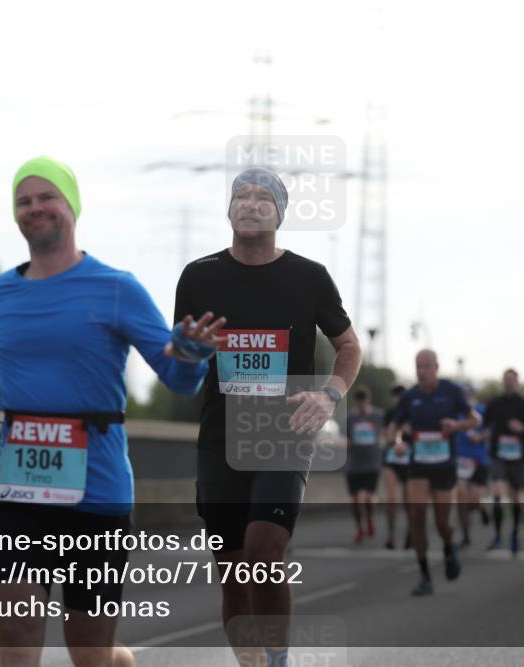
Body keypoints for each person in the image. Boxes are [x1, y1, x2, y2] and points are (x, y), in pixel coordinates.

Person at [0, 156, 220, 667]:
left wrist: (193, 354)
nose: (35, 208)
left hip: (97, 492)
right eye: (24, 201)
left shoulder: (117, 288)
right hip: (17, 487)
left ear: (72, 207)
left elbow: (176, 376)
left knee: (88, 655)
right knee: (18, 649)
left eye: (47, 197)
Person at [173, 166, 362, 667]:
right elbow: (184, 359)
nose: (251, 203)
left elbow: (348, 347)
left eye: (263, 197)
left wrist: (328, 397)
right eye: (241, 195)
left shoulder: (309, 277)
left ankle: (277, 660)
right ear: (228, 209)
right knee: (234, 577)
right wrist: (184, 353)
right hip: (220, 440)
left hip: (283, 435)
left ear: (280, 212)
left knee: (262, 556)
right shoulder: (199, 276)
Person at [389, 349, 481, 595]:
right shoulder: (410, 396)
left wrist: (457, 425)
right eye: (418, 366)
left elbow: (475, 420)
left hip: (444, 466)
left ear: (436, 368)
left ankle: (449, 547)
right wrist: (396, 442)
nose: (422, 371)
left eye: (427, 366)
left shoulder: (451, 391)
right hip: (419, 465)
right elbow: (394, 426)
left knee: (442, 523)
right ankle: (424, 576)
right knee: (417, 515)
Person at [483, 369, 524, 555]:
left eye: (512, 380)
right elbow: (485, 423)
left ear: (517, 382)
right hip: (498, 454)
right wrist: (483, 432)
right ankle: (498, 535)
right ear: (502, 381)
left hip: (518, 457)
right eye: (506, 379)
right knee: (498, 492)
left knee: (516, 497)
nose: (508, 383)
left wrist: (522, 428)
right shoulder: (495, 403)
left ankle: (514, 534)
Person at [344, 387, 384, 543]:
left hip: (372, 463)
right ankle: (360, 529)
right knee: (355, 500)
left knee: (368, 497)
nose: (361, 405)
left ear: (369, 401)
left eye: (364, 401)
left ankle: (370, 518)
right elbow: (344, 437)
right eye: (358, 402)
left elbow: (385, 433)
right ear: (356, 402)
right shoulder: (350, 418)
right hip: (354, 464)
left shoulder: (377, 416)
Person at [454, 383, 490, 548]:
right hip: (460, 459)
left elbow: (491, 429)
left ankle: (481, 508)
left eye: (468, 393)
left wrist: (480, 436)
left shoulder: (481, 410)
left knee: (474, 499)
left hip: (478, 459)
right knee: (461, 497)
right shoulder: (455, 411)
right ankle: (466, 535)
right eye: (463, 393)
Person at [381, 385, 411, 549]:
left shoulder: (414, 412)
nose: (399, 399)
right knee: (392, 499)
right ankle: (391, 535)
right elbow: (386, 434)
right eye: (396, 396)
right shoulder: (390, 413)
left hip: (409, 461)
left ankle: (410, 533)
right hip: (392, 459)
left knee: (408, 501)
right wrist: (394, 441)